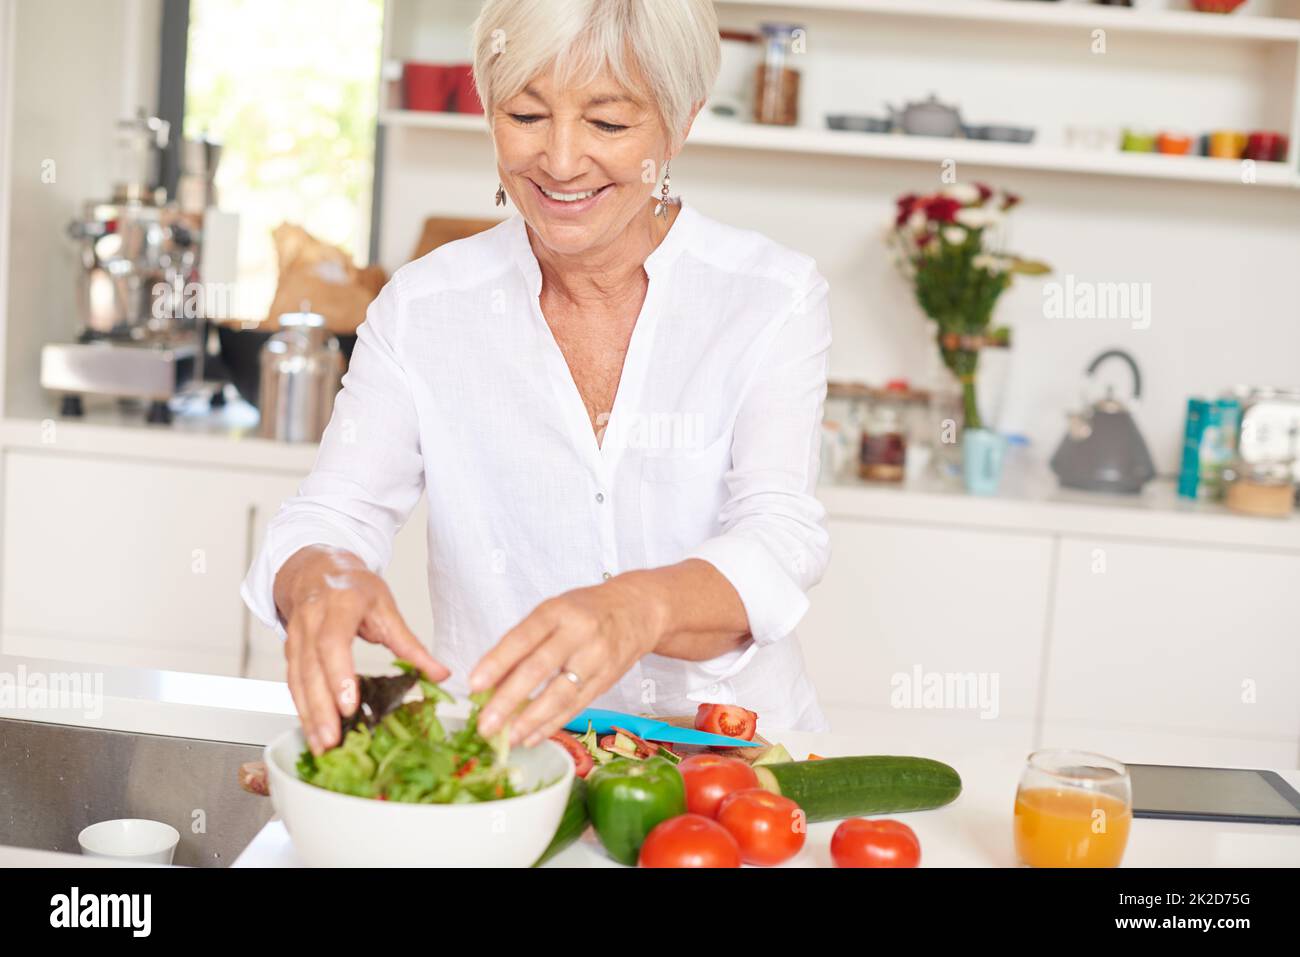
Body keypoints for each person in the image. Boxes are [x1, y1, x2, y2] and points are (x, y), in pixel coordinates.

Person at [241, 0, 832, 756]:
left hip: (729, 764)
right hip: (510, 761)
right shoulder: (424, 309)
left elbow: (779, 536)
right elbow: (329, 515)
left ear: (679, 124)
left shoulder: (770, 296)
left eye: (608, 124)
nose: (559, 159)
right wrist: (318, 576)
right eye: (525, 115)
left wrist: (636, 607)